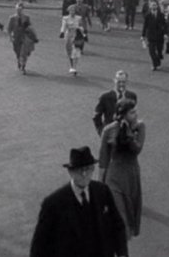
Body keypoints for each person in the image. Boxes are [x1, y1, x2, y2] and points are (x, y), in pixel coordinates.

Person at [29, 146, 128, 257]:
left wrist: (122, 254)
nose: (84, 174)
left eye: (88, 168)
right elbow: (39, 247)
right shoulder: (53, 204)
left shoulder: (102, 191)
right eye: (79, 170)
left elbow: (117, 225)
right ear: (70, 172)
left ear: (93, 169)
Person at [99, 98, 145, 240]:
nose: (135, 114)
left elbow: (137, 149)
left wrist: (129, 134)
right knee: (119, 218)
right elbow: (103, 158)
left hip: (131, 176)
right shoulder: (108, 130)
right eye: (132, 112)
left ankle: (122, 248)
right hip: (114, 176)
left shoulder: (140, 127)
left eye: (135, 111)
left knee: (130, 215)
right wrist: (100, 184)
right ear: (123, 114)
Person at [93, 70, 138, 136]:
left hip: (128, 134)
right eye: (119, 82)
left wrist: (134, 131)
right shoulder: (105, 96)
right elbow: (96, 116)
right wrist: (101, 131)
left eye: (123, 82)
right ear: (114, 80)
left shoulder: (132, 96)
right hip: (110, 134)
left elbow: (134, 115)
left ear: (127, 82)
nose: (121, 84)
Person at [7, 2, 35, 74]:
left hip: (24, 37)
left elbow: (30, 28)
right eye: (17, 9)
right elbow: (9, 29)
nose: (19, 11)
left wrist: (32, 37)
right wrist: (10, 37)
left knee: (24, 52)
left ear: (23, 10)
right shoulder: (12, 18)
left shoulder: (26, 18)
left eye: (20, 9)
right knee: (17, 52)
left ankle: (23, 66)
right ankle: (19, 60)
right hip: (16, 37)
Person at [60, 4, 85, 75]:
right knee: (69, 52)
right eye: (71, 11)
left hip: (77, 36)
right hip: (68, 36)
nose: (72, 12)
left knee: (75, 51)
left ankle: (74, 67)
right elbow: (63, 26)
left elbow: (81, 26)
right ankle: (71, 66)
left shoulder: (79, 18)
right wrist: (62, 32)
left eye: (73, 10)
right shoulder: (65, 18)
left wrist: (82, 32)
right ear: (69, 11)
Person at [141, 0, 167, 70]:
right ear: (150, 6)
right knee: (151, 52)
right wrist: (143, 35)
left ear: (157, 6)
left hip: (159, 36)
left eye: (155, 5)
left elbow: (165, 25)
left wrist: (165, 33)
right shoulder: (147, 16)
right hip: (151, 36)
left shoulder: (161, 15)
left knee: (159, 51)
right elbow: (145, 26)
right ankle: (154, 64)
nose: (154, 6)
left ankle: (158, 62)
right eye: (152, 5)